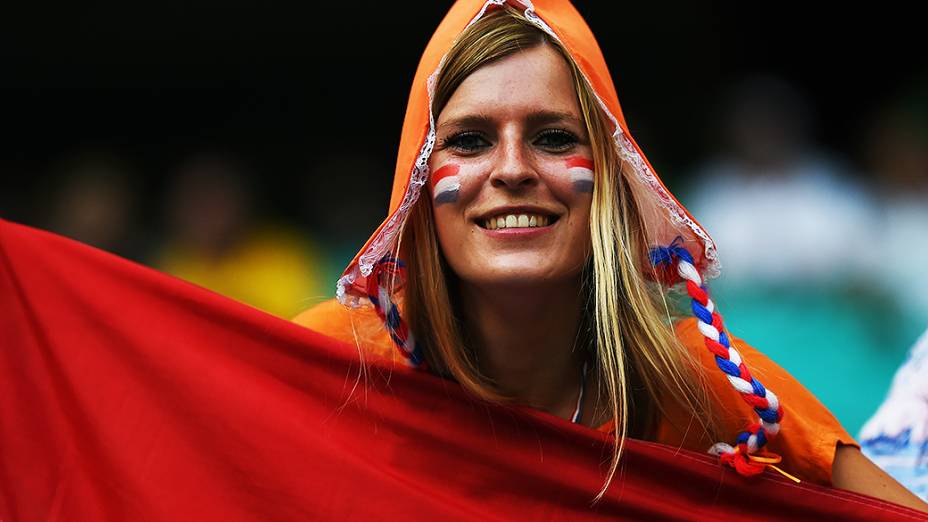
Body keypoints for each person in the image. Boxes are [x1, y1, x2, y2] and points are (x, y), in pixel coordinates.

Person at [293, 0, 928, 512]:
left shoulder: (704, 384)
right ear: (419, 185)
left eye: (552, 137)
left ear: (613, 178)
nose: (512, 168)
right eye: (470, 140)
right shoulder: (332, 365)